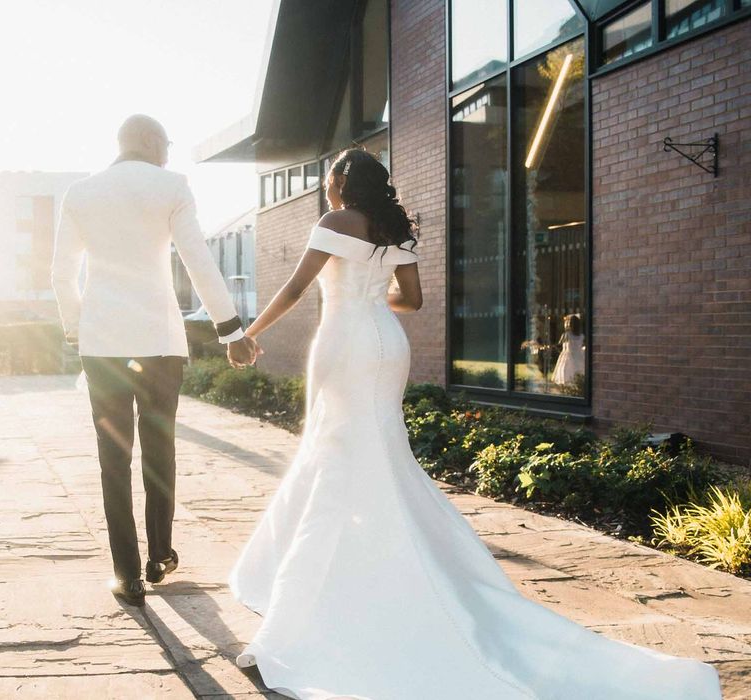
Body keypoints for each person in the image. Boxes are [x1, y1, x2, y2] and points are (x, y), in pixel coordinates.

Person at [227, 149, 721, 699]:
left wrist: (249, 334)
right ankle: (401, 568)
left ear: (341, 181)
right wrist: (371, 293)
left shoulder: (334, 222)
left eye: (328, 180)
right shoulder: (393, 226)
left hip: (345, 344)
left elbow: (296, 288)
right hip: (387, 345)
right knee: (378, 454)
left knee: (338, 456)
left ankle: (332, 599)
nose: (325, 189)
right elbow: (410, 301)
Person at [51, 115, 258, 607]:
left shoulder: (80, 194)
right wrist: (232, 331)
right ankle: (161, 554)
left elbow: (61, 275)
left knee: (112, 460)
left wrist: (78, 330)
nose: (168, 151)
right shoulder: (172, 186)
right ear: (148, 142)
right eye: (166, 142)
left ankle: (126, 574)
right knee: (159, 449)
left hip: (103, 346)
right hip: (160, 343)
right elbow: (198, 261)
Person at [551, 313, 585, 387]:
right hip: (579, 356)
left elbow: (558, 345)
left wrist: (558, 350)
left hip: (567, 355)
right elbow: (583, 345)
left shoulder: (566, 334)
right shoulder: (582, 336)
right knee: (577, 371)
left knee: (566, 372)